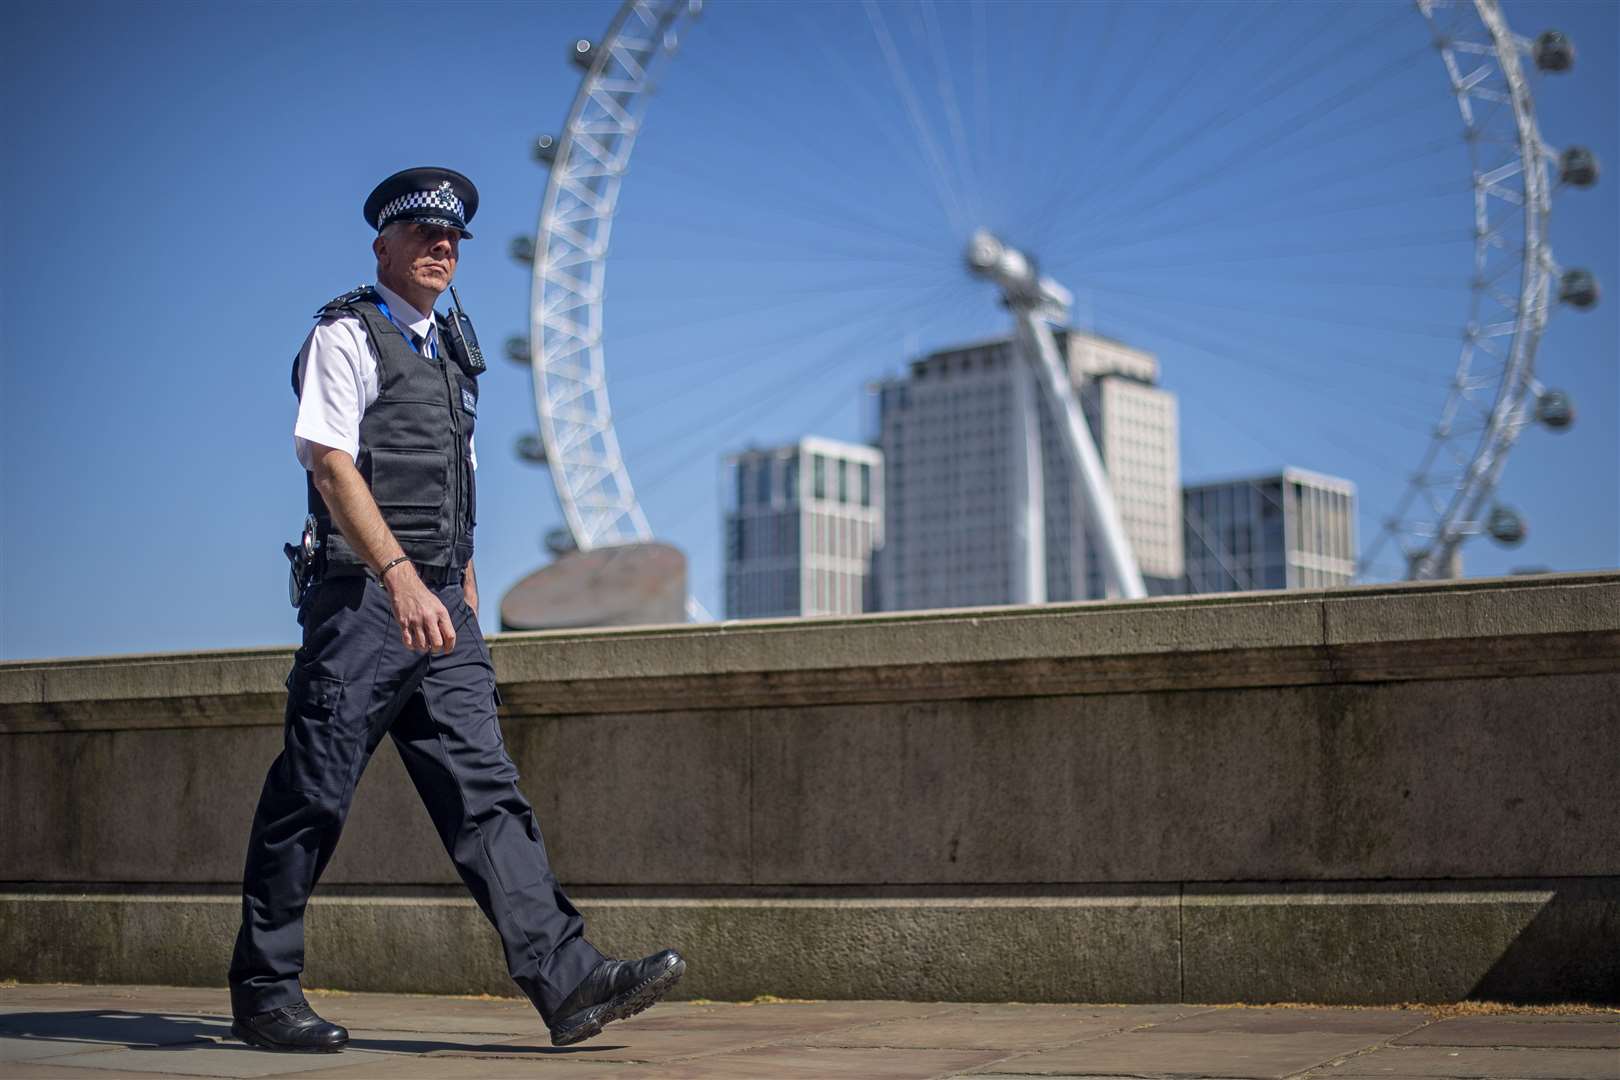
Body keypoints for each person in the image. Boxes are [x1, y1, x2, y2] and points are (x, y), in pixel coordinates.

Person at [228, 166, 684, 1053]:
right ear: (383, 247)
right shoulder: (345, 335)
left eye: (454, 240)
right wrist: (399, 576)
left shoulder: (457, 352)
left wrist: (461, 587)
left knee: (487, 796)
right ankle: (264, 991)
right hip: (365, 601)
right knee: (312, 794)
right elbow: (328, 462)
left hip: (441, 607)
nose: (442, 249)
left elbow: (455, 480)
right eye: (425, 236)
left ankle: (568, 979)